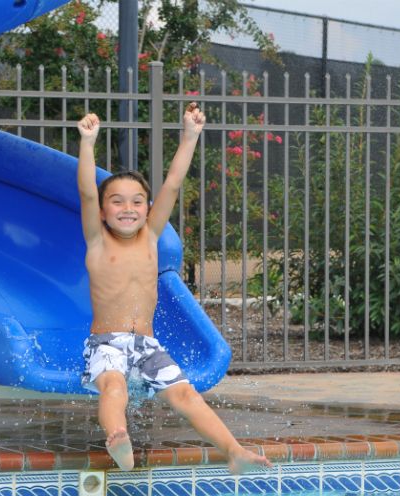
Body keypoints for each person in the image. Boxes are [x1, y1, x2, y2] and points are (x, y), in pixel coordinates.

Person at [76, 104, 271, 474]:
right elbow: (86, 192)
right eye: (116, 202)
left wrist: (190, 137)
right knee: (113, 387)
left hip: (149, 346)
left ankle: (233, 451)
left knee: (184, 393)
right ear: (102, 211)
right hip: (107, 344)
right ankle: (118, 437)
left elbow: (173, 184)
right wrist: (88, 144)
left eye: (137, 202)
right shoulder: (97, 242)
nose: (128, 209)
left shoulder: (150, 237)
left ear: (148, 210)